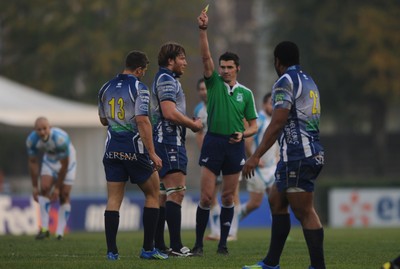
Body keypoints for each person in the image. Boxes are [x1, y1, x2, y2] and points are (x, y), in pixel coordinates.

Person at [242, 41, 326, 269]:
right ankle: (271, 263)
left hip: (299, 154)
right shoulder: (309, 81)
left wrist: (255, 155)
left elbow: (277, 122)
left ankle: (318, 266)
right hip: (302, 152)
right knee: (276, 199)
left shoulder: (284, 82)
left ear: (277, 61)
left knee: (304, 211)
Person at [192, 9, 258, 256]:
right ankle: (198, 244)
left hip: (235, 144)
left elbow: (254, 124)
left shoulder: (247, 94)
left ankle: (223, 244)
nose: (225, 70)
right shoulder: (214, 83)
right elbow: (205, 56)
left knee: (229, 197)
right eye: (223, 67)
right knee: (207, 197)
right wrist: (203, 30)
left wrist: (245, 134)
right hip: (214, 142)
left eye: (230, 67)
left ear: (237, 69)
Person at [98, 50, 167, 260]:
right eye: (143, 71)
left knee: (114, 199)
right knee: (153, 195)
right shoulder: (139, 88)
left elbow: (103, 120)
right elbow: (142, 121)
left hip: (111, 150)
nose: (143, 75)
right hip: (133, 149)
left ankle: (112, 252)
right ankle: (148, 249)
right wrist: (153, 153)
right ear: (139, 69)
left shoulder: (105, 87)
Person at [152, 42, 203, 257]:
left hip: (166, 140)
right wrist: (193, 125)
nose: (185, 62)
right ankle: (176, 245)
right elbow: (169, 112)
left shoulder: (166, 79)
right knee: (177, 193)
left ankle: (159, 245)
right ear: (171, 60)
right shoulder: (166, 79)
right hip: (168, 140)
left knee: (163, 195)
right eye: (182, 58)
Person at [193, 78, 239, 242]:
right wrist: (204, 153)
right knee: (208, 196)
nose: (203, 92)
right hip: (210, 157)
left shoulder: (223, 102)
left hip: (228, 155)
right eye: (201, 89)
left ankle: (232, 232)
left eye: (206, 88)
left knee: (230, 193)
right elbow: (199, 134)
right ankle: (215, 231)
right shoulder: (198, 109)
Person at [26, 117, 76, 240]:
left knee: (64, 194)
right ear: (34, 130)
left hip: (68, 162)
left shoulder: (60, 139)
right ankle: (44, 229)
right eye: (39, 130)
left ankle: (59, 232)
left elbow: (64, 165)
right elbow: (33, 162)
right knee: (44, 188)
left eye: (45, 129)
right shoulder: (31, 141)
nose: (42, 132)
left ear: (50, 127)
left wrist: (57, 188)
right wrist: (34, 187)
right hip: (50, 160)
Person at [240, 92, 279, 221]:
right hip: (258, 169)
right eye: (270, 103)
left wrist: (277, 156)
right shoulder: (260, 120)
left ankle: (279, 232)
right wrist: (254, 158)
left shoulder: (274, 120)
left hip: (272, 167)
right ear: (263, 105)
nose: (273, 107)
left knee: (277, 201)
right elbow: (248, 142)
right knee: (255, 203)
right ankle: (235, 217)